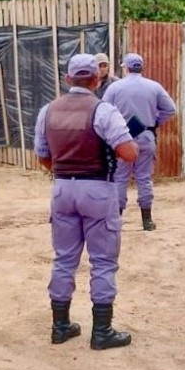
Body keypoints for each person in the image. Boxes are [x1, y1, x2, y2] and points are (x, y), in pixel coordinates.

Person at [34, 53, 139, 350]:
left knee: (64, 259)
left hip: (62, 188)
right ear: (96, 79)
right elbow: (129, 153)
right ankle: (102, 331)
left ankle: (60, 326)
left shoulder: (48, 111)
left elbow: (43, 156)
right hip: (97, 190)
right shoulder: (103, 110)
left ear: (68, 79)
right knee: (103, 262)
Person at [102, 53, 177, 231]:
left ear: (126, 68)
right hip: (146, 136)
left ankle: (117, 220)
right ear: (141, 67)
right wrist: (156, 122)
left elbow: (103, 111)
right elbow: (170, 109)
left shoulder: (115, 88)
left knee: (120, 178)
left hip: (121, 138)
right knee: (144, 178)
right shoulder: (154, 87)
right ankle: (147, 221)